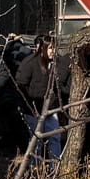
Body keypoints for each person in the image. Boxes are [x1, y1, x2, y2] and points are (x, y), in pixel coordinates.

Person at [13, 35, 68, 163]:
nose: (53, 51)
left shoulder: (57, 63)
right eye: (50, 48)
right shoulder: (30, 63)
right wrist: (30, 102)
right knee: (35, 141)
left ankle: (54, 166)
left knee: (54, 137)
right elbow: (21, 84)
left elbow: (61, 84)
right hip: (33, 109)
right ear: (43, 48)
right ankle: (34, 168)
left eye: (55, 48)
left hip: (51, 109)